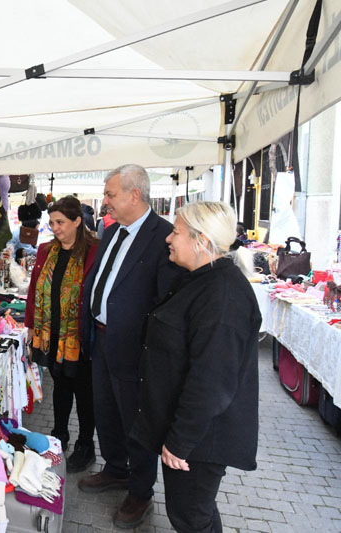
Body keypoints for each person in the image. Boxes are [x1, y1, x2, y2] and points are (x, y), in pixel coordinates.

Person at [131, 201, 260, 533]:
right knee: (193, 513)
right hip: (190, 432)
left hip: (201, 440)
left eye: (176, 232)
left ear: (201, 240)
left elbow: (211, 382)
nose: (168, 238)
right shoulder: (200, 279)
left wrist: (179, 441)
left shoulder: (223, 295)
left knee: (190, 516)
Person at [77, 164, 183, 529]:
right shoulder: (111, 231)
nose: (105, 202)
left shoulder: (164, 236)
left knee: (136, 420)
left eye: (110, 194)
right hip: (102, 339)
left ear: (134, 195)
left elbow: (166, 302)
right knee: (106, 410)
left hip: (135, 348)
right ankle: (115, 468)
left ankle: (140, 491)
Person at [25, 196, 100, 473]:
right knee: (60, 387)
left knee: (84, 392)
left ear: (77, 221)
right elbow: (35, 288)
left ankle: (86, 445)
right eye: (52, 222)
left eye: (61, 222)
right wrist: (31, 325)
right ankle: (59, 435)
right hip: (52, 333)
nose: (55, 228)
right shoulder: (46, 251)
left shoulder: (95, 251)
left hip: (80, 336)